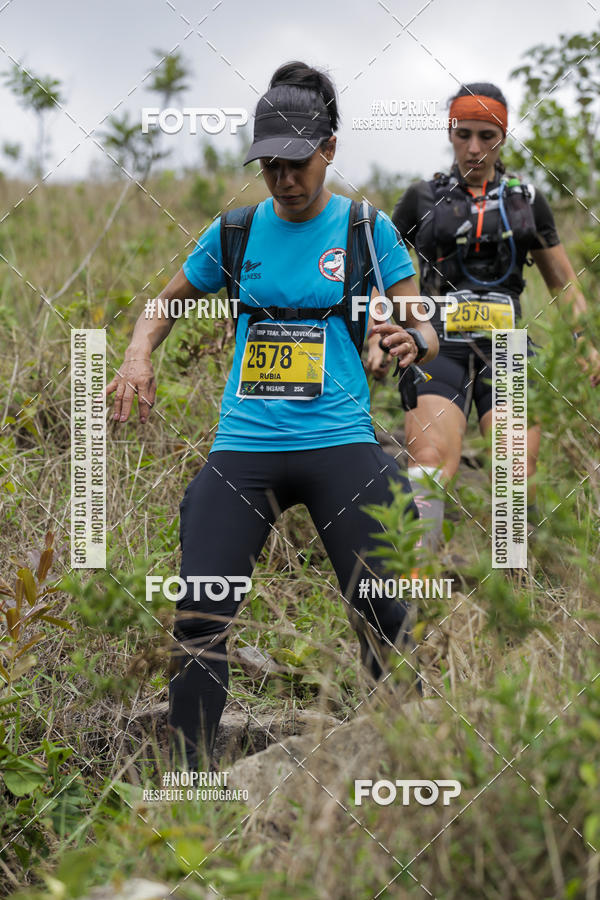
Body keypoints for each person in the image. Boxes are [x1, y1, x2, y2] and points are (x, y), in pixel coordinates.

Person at [106, 61, 439, 770]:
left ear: (329, 149)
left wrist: (412, 339)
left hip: (339, 440)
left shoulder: (365, 228)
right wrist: (138, 355)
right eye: (269, 166)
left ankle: (405, 760)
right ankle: (195, 782)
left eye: (296, 163)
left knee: (382, 606)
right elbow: (162, 303)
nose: (283, 179)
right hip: (245, 447)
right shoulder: (234, 231)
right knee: (201, 611)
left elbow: (422, 324)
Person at [367, 82, 600, 551]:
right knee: (429, 459)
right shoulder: (420, 197)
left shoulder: (526, 200)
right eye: (464, 134)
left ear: (503, 138)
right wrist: (377, 332)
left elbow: (562, 281)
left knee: (514, 467)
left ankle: (510, 579)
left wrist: (584, 341)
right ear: (450, 133)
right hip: (436, 345)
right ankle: (419, 576)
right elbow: (380, 270)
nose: (474, 147)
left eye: (487, 136)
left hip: (507, 350)